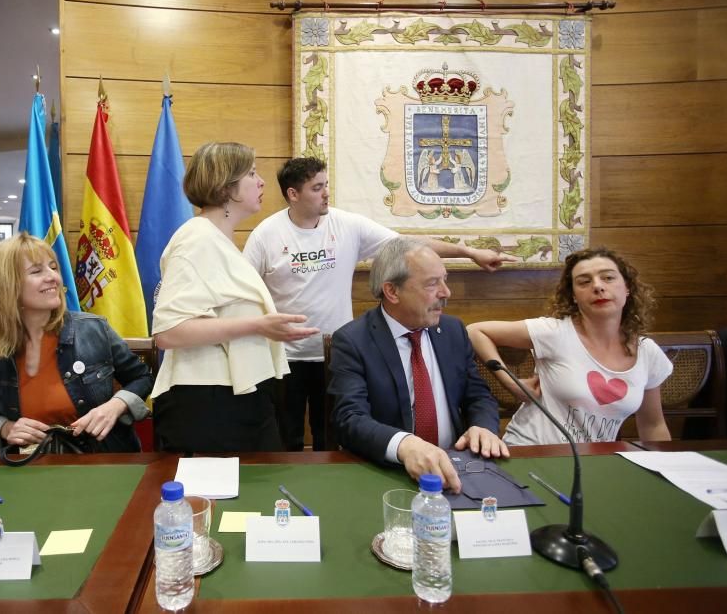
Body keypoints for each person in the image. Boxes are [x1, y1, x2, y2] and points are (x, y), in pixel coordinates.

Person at [243, 157, 512, 451]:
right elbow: (243, 290)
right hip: (285, 358)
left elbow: (408, 248)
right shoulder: (266, 235)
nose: (326, 193)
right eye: (317, 187)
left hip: (336, 354)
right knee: (287, 437)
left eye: (326, 185)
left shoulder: (347, 225)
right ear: (293, 194)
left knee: (329, 437)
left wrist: (468, 251)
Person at [151, 142, 320, 453]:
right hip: (209, 402)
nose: (262, 182)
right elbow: (168, 331)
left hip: (234, 395)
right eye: (252, 174)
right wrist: (258, 326)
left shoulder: (219, 240)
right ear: (227, 186)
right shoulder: (197, 239)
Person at [328, 237, 507, 492]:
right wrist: (405, 445)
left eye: (444, 280)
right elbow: (350, 418)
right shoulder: (353, 341)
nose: (446, 292)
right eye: (433, 283)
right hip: (390, 475)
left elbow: (477, 394)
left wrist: (483, 427)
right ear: (392, 291)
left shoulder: (453, 330)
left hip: (457, 467)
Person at [467, 247, 673, 445]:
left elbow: (653, 425)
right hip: (532, 450)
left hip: (595, 462)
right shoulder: (554, 332)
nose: (598, 286)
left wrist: (666, 469)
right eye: (584, 282)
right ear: (574, 296)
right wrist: (511, 384)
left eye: (608, 278)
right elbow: (475, 331)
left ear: (627, 287)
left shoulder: (647, 351)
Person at [0, 233, 152, 454]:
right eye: (37, 271)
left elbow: (142, 377)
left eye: (53, 268)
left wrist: (115, 406)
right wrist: (5, 428)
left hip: (102, 457)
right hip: (28, 465)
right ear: (5, 286)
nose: (54, 278)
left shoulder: (94, 329)